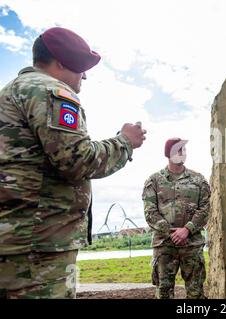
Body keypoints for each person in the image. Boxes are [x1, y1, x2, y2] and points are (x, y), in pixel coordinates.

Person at [0, 27, 147, 299]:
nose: (85, 75)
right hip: (38, 244)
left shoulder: (10, 93)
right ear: (60, 62)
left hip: (16, 240)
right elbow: (77, 160)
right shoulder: (50, 91)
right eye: (81, 67)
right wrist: (125, 141)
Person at [142, 138, 210, 299]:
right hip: (164, 246)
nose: (183, 153)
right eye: (179, 150)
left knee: (196, 293)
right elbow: (150, 213)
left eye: (184, 150)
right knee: (164, 292)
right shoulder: (154, 181)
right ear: (169, 153)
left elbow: (205, 209)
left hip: (191, 245)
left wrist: (187, 230)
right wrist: (172, 233)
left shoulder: (199, 180)